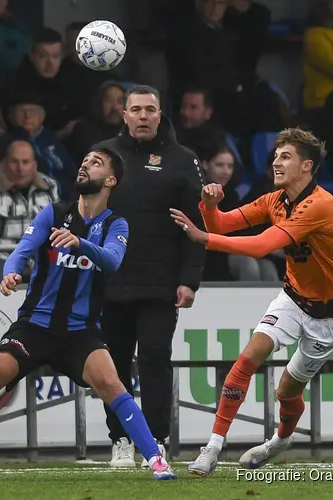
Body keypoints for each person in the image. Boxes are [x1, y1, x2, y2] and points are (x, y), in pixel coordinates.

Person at [0, 146, 177, 482]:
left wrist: (80, 244)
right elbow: (20, 252)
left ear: (111, 180)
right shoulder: (53, 214)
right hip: (36, 325)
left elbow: (113, 261)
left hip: (80, 331)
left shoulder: (116, 223)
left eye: (96, 163)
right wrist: (11, 273)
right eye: (84, 159)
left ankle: (158, 461)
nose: (85, 164)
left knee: (112, 383)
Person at [169, 128, 333, 475]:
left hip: (331, 314)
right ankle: (212, 447)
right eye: (275, 155)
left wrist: (203, 237)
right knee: (248, 358)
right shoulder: (274, 200)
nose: (276, 161)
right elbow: (223, 224)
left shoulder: (320, 205)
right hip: (294, 297)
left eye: (286, 156)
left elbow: (259, 247)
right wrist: (209, 207)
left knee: (286, 390)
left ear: (307, 166)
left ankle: (281, 439)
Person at [96, 85, 206, 468]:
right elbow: (82, 211)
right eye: (136, 109)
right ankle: (121, 440)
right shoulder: (104, 155)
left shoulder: (183, 159)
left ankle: (155, 441)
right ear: (123, 115)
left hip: (160, 283)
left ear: (161, 115)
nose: (143, 116)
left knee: (156, 358)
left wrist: (189, 279)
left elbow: (197, 225)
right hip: (110, 281)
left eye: (150, 110)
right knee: (113, 365)